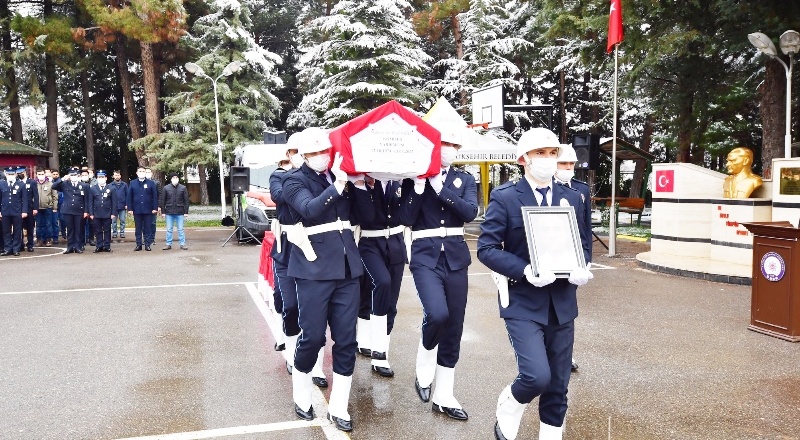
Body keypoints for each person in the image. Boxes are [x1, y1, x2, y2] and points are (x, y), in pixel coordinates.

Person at [477, 127, 593, 440]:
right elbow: (487, 248)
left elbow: (583, 243)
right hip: (523, 300)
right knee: (536, 376)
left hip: (562, 301)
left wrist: (582, 266)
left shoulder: (573, 197)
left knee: (558, 385)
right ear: (523, 159)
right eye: (540, 153)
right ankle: (511, 402)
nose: (548, 159)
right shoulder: (505, 197)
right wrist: (525, 270)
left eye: (553, 153)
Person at [282, 127, 373, 432]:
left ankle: (339, 405)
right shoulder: (294, 180)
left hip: (347, 268)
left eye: (325, 151)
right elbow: (309, 209)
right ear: (304, 155)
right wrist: (339, 185)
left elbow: (363, 217)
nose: (321, 156)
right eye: (315, 152)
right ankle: (301, 395)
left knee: (346, 339)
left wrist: (360, 185)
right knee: (312, 337)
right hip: (313, 270)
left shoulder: (338, 176)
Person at [398, 124, 478, 421]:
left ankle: (444, 394)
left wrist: (439, 189)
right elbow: (406, 217)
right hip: (425, 257)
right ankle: (425, 357)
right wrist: (420, 187)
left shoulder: (464, 179)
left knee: (454, 325)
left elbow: (469, 212)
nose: (450, 150)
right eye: (445, 144)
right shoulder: (412, 179)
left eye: (454, 146)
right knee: (437, 314)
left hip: (456, 257)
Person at [269, 137, 328, 387]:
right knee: (291, 305)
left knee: (315, 310)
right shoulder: (279, 176)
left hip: (312, 246)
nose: (296, 155)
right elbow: (278, 195)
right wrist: (297, 181)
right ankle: (292, 351)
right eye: (293, 151)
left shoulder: (319, 177)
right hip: (287, 246)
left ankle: (316, 365)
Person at [357, 175, 405, 377]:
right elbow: (364, 216)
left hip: (395, 244)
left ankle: (380, 346)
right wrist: (364, 185)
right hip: (370, 243)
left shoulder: (398, 181)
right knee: (381, 283)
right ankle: (378, 354)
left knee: (390, 302)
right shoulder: (362, 182)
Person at [554, 143, 593, 373]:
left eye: (571, 164)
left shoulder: (581, 190)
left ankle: (565, 354)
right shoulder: (546, 188)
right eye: (563, 163)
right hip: (550, 255)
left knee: (567, 307)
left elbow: (585, 226)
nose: (568, 168)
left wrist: (587, 257)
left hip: (573, 257)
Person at [51, 167, 89, 254]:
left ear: (78, 176)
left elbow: (86, 200)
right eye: (72, 175)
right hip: (68, 210)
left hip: (79, 210)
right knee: (70, 229)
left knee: (78, 229)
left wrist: (86, 211)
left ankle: (78, 246)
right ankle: (70, 246)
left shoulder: (84, 185)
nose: (73, 177)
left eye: (75, 175)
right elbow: (54, 186)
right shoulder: (65, 184)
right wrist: (63, 179)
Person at [127, 166, 158, 251]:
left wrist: (155, 208)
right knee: (138, 228)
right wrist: (130, 209)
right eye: (140, 171)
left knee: (148, 228)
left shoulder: (151, 183)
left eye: (143, 171)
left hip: (148, 209)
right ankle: (138, 244)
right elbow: (129, 196)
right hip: (137, 209)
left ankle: (147, 244)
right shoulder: (132, 183)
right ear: (137, 173)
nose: (142, 173)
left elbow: (154, 196)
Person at [0, 166, 28, 256]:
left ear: (15, 174)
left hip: (17, 211)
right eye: (9, 174)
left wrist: (24, 211)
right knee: (6, 231)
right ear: (5, 174)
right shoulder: (1, 184)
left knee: (17, 231)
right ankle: (8, 249)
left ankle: (16, 249)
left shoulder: (21, 184)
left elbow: (25, 199)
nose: (10, 176)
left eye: (12, 174)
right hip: (5, 211)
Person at [88, 170, 117, 252]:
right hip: (96, 213)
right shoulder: (93, 188)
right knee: (98, 231)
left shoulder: (111, 188)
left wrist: (113, 213)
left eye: (102, 177)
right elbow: (90, 202)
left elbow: (114, 202)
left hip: (107, 213)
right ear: (97, 178)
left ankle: (107, 246)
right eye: (99, 177)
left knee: (107, 230)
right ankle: (99, 246)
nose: (101, 179)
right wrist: (91, 213)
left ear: (106, 178)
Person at [160, 172, 190, 250]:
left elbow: (186, 201)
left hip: (180, 212)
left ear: (178, 179)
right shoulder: (166, 188)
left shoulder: (183, 188)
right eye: (173, 178)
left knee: (180, 229)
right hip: (169, 212)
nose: (175, 179)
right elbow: (163, 201)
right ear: (171, 179)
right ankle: (168, 244)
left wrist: (186, 212)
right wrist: (163, 212)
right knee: (169, 229)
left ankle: (182, 244)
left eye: (176, 178)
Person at [35, 168, 57, 247]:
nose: (41, 176)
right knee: (38, 225)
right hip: (37, 207)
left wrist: (55, 207)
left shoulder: (50, 184)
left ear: (45, 174)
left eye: (42, 174)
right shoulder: (34, 184)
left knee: (48, 224)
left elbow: (55, 196)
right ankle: (39, 240)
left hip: (48, 207)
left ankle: (48, 240)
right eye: (39, 174)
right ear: (36, 175)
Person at [18, 166, 38, 252]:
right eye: (18, 173)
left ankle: (30, 244)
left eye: (21, 172)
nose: (20, 174)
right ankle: (20, 244)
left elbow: (36, 196)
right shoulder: (17, 182)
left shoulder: (32, 182)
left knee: (30, 227)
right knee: (19, 227)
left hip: (30, 207)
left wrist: (35, 208)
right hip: (19, 208)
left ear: (25, 172)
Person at [110, 170, 128, 239]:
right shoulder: (110, 185)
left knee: (122, 220)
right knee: (114, 221)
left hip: (122, 205)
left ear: (120, 176)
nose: (117, 176)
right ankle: (114, 233)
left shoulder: (124, 185)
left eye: (118, 175)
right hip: (113, 206)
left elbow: (127, 195)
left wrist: (126, 204)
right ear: (113, 176)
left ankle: (122, 232)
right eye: (115, 175)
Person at [146, 167, 161, 246]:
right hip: (143, 206)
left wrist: (158, 206)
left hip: (153, 206)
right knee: (144, 224)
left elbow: (159, 195)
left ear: (151, 174)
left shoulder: (156, 183)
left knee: (152, 223)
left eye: (149, 172)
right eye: (146, 172)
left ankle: (152, 239)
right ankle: (146, 239)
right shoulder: (140, 183)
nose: (147, 174)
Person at [80, 169, 94, 248]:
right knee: (81, 225)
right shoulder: (79, 184)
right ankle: (82, 241)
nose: (84, 176)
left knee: (92, 224)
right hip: (82, 208)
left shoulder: (93, 184)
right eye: (83, 175)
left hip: (91, 207)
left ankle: (91, 239)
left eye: (86, 175)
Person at [51, 169, 65, 245]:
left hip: (62, 203)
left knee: (63, 220)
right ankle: (55, 238)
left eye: (57, 174)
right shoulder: (51, 182)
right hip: (54, 205)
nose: (55, 175)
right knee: (54, 221)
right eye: (54, 174)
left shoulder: (62, 182)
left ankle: (63, 233)